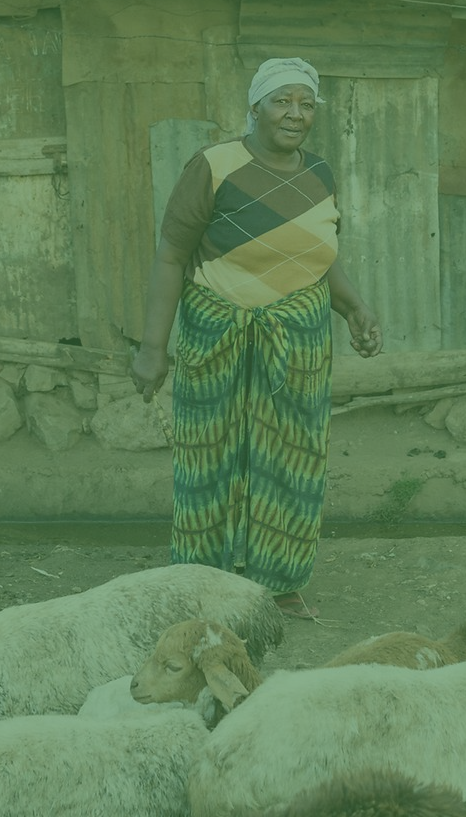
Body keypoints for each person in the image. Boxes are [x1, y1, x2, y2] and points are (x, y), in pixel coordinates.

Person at [132, 57, 381, 620]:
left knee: (291, 456)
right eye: (282, 101)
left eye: (306, 103)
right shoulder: (214, 166)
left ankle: (278, 583)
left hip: (296, 337)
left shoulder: (319, 175)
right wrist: (154, 348)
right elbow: (172, 254)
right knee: (208, 456)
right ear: (255, 108)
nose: (295, 114)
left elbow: (319, 257)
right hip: (216, 329)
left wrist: (355, 309)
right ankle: (199, 584)